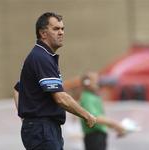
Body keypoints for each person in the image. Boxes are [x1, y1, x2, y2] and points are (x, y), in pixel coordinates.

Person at [15, 12, 96, 150]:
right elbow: (60, 98)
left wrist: (26, 118)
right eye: (56, 29)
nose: (61, 33)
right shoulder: (41, 57)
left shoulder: (40, 56)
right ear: (43, 33)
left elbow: (17, 90)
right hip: (43, 130)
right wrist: (86, 115)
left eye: (62, 29)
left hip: (41, 128)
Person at [80, 72, 127, 150]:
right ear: (87, 83)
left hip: (98, 136)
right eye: (94, 80)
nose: (98, 82)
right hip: (94, 136)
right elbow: (95, 117)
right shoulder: (87, 98)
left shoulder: (93, 96)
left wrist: (116, 127)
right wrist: (116, 124)